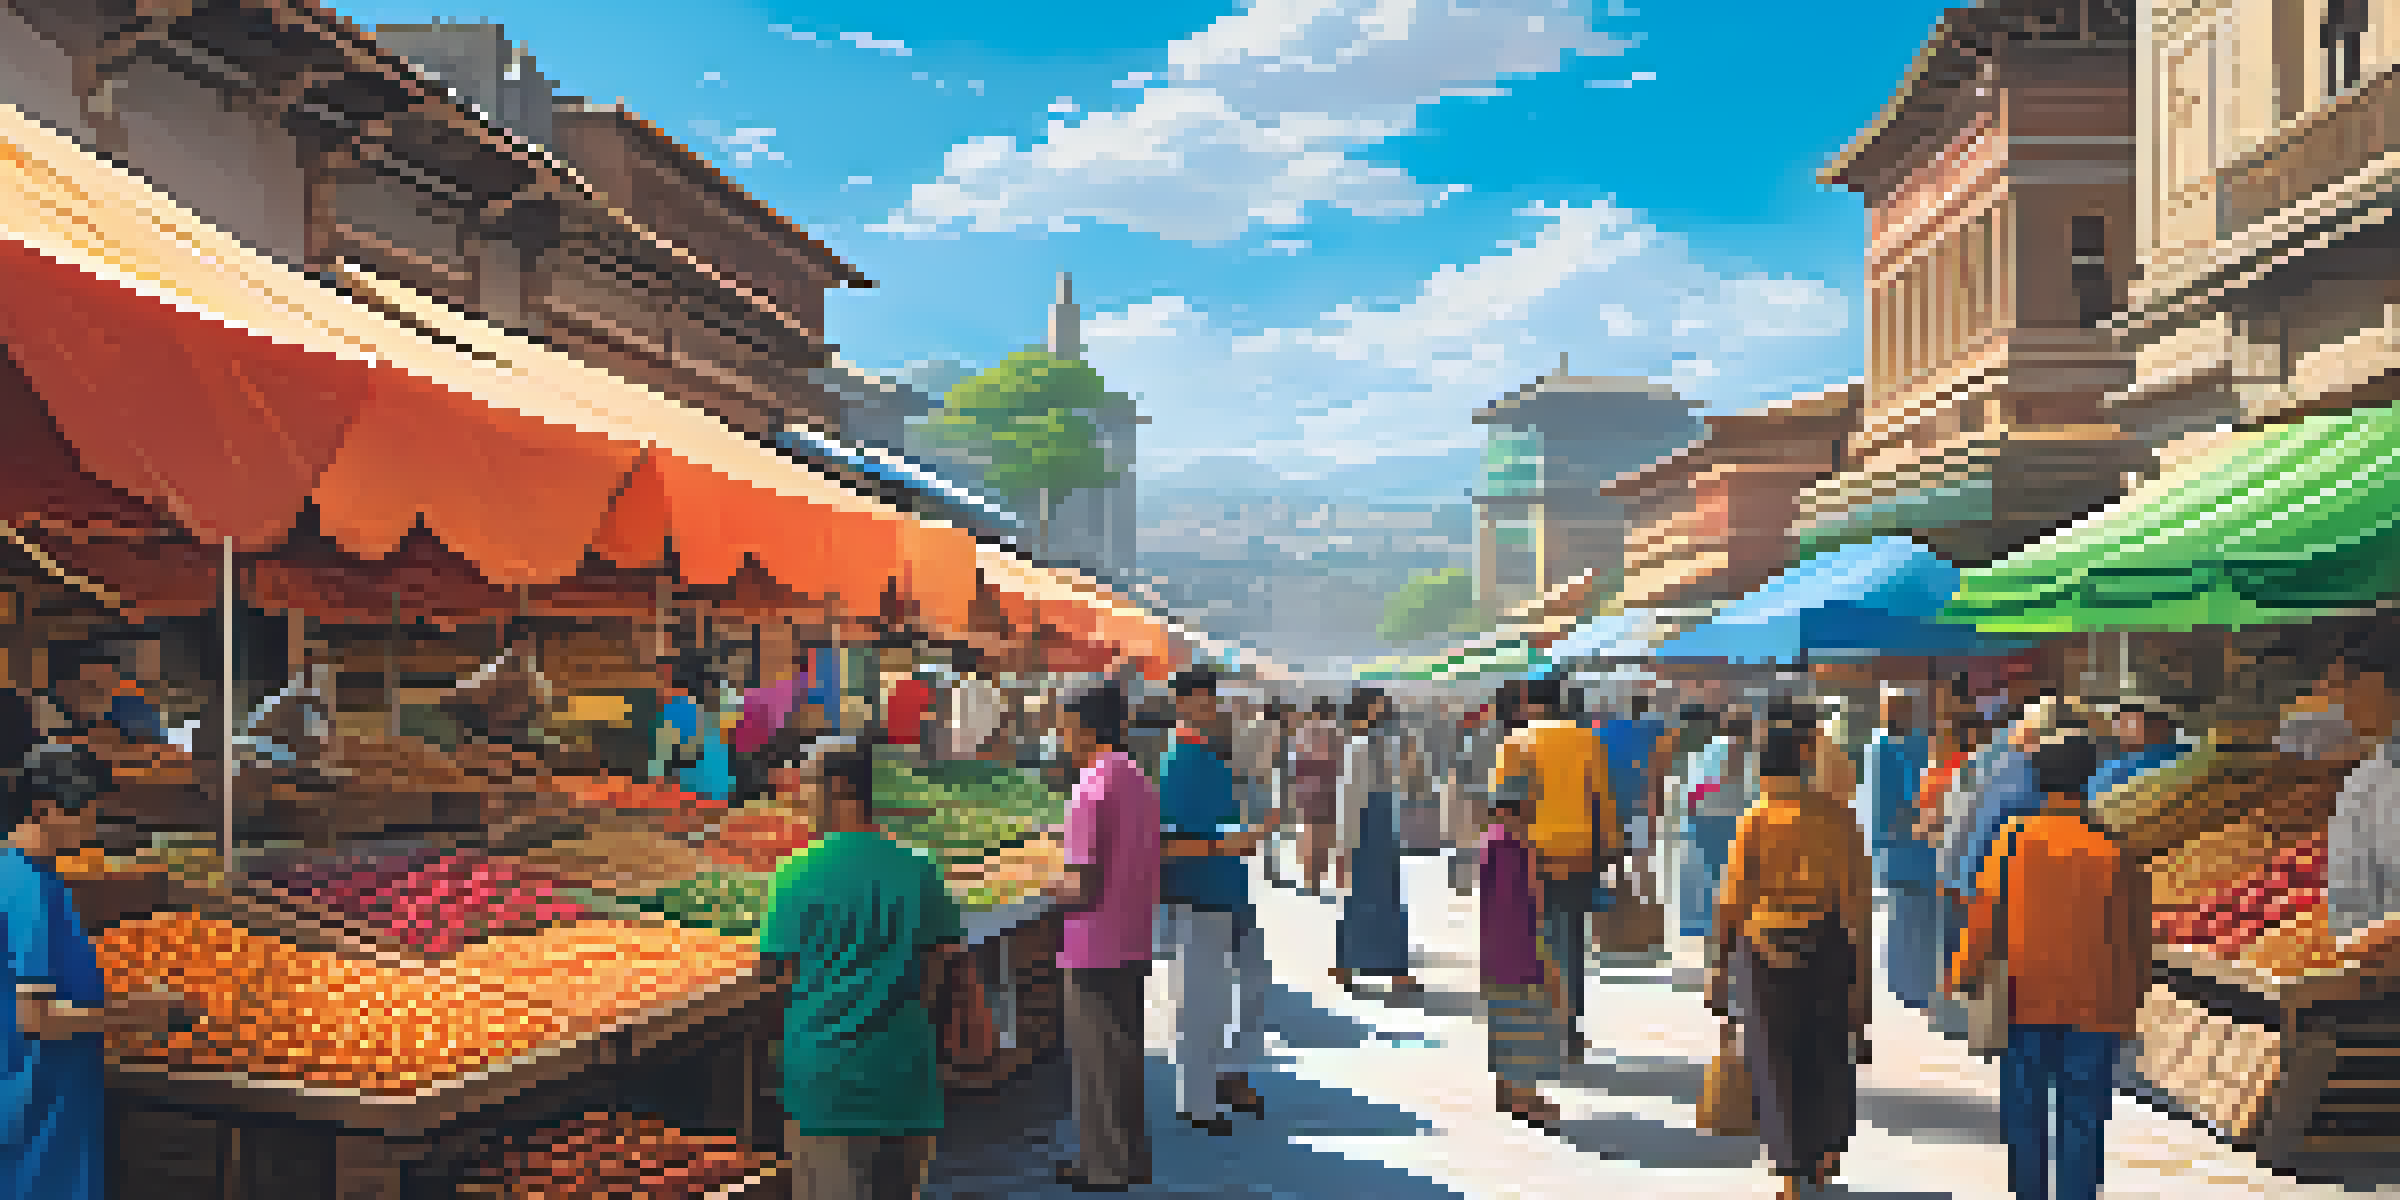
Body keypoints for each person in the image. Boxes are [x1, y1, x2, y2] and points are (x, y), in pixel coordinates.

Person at [1947, 733, 2148, 1200]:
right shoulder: (2114, 849)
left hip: (2024, 999)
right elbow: (2136, 936)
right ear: (2090, 779)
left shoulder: (2014, 841)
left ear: (2039, 780)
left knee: (2025, 1112)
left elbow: (1984, 915)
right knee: (2083, 1116)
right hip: (2093, 1005)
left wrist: (1963, 973)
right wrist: (2133, 1001)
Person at [760, 740, 963, 1200]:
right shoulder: (919, 871)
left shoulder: (794, 875)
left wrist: (780, 1060)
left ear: (839, 788)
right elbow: (944, 965)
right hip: (904, 1077)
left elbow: (776, 978)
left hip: (824, 1084)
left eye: (807, 782)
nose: (799, 795)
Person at [3, 744, 185, 1199]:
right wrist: (135, 1017)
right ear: (45, 809)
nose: (93, 825)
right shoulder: (28, 891)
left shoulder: (38, 878)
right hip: (37, 1107)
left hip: (50, 1099)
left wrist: (123, 1003)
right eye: (84, 813)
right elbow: (36, 1018)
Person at [1708, 703, 1870, 1200]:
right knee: (1826, 1049)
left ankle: (1789, 1171)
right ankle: (1825, 1153)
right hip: (1826, 945)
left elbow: (1732, 899)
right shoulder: (1836, 817)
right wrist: (1859, 969)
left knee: (1774, 1058)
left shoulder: (1755, 819)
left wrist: (1719, 962)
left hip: (1764, 950)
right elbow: (1857, 898)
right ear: (1802, 762)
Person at [1044, 683, 1160, 1192]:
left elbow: (1081, 882)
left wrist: (1044, 882)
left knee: (1095, 1061)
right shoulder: (1136, 779)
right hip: (1132, 932)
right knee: (1124, 1055)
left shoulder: (1089, 788)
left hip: (1092, 938)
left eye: (1064, 723)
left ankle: (1104, 1167)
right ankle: (1129, 1159)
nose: (1059, 734)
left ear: (1085, 725)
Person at [1154, 668, 1270, 1136]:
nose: (1210, 709)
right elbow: (1166, 843)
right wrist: (1226, 846)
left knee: (1249, 984)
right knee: (1200, 1000)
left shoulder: (1209, 755)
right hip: (1198, 893)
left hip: (1228, 889)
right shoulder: (1179, 761)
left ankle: (1228, 1073)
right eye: (1200, 702)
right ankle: (1197, 1099)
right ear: (1182, 704)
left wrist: (1243, 836)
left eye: (1212, 701)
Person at [1490, 677, 1610, 1061]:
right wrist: (1610, 846)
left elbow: (1506, 807)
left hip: (1531, 853)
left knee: (1533, 941)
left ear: (1527, 704)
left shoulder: (1516, 743)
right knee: (1571, 939)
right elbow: (1603, 800)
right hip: (1579, 851)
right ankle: (1570, 1028)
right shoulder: (1587, 740)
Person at [1480, 766, 1563, 1130]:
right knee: (1525, 1019)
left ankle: (1506, 1088)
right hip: (1520, 947)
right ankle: (1522, 1097)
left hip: (1496, 947)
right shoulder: (1512, 846)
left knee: (1503, 1015)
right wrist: (1543, 953)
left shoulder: (1493, 841)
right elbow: (1528, 901)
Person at [1331, 687, 1422, 992]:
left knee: (1380, 900)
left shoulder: (1381, 744)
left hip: (1380, 829)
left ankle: (1371, 967)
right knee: (1369, 902)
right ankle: (1365, 967)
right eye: (1378, 706)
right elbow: (1350, 799)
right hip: (1367, 831)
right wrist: (1345, 844)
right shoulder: (1360, 747)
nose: (1384, 712)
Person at [1863, 688, 1936, 1014]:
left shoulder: (1911, 745)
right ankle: (1906, 987)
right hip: (1903, 847)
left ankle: (1911, 985)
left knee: (1914, 920)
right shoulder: (1884, 747)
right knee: (1905, 918)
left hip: (1916, 848)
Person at [1289, 698, 1343, 895]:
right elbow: (1339, 762)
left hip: (1309, 789)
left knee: (1311, 833)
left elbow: (1298, 763)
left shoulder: (1304, 731)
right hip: (1328, 787)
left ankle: (1311, 879)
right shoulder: (1335, 732)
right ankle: (1319, 877)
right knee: (1325, 834)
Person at [2087, 700, 2187, 805]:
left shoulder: (2169, 752)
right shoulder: (2112, 766)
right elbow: (2095, 797)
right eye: (2121, 724)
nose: (2125, 729)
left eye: (2132, 723)